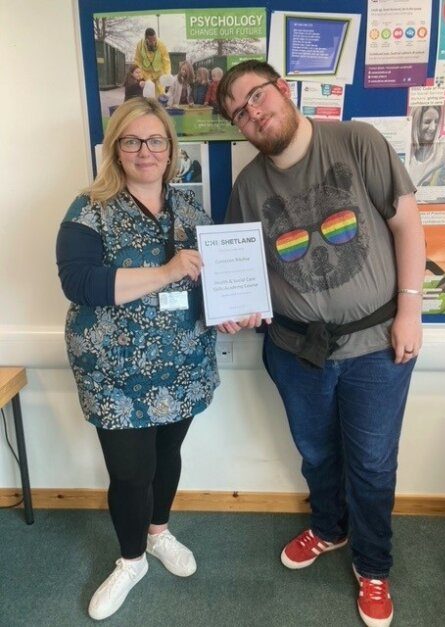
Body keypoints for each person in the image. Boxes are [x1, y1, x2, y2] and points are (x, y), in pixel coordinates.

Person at [216, 61, 425, 627]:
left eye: (256, 96)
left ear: (282, 89)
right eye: (239, 111)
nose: (252, 112)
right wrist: (235, 310)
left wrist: (411, 310)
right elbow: (244, 269)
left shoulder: (356, 142)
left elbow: (408, 224)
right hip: (294, 351)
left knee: (374, 464)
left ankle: (374, 565)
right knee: (317, 454)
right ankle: (330, 530)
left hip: (376, 346)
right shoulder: (249, 185)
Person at [56, 97, 219, 621]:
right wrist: (168, 272)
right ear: (115, 149)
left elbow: (212, 280)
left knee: (166, 458)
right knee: (131, 473)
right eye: (132, 140)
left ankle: (158, 534)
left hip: (183, 365)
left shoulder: (191, 209)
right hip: (116, 373)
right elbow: (80, 283)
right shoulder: (89, 207)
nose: (145, 151)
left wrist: (232, 308)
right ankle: (131, 561)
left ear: (171, 149)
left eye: (156, 140)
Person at [409, 105, 443, 185]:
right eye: (427, 122)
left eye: (436, 122)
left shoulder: (443, 150)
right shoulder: (406, 151)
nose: (433, 128)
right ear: (416, 122)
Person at [134, 28, 171, 98]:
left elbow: (166, 62)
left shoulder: (161, 45)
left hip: (159, 74)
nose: (154, 42)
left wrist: (167, 75)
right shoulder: (140, 45)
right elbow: (137, 61)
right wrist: (140, 76)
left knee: (161, 94)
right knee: (148, 94)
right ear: (146, 40)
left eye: (155, 39)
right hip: (146, 74)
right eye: (151, 41)